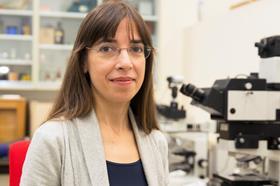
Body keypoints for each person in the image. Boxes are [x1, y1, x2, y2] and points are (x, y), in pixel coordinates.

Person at [20, 0, 169, 185]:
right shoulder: (53, 140)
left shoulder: (156, 142)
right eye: (107, 48)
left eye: (136, 49)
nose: (125, 62)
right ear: (84, 61)